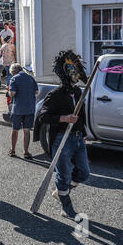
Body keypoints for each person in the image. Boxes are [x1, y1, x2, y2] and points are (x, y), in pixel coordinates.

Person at [36, 50, 90, 221]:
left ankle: (60, 192)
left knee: (83, 173)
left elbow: (81, 116)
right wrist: (64, 118)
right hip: (62, 138)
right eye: (72, 70)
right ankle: (66, 207)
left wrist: (84, 133)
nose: (76, 73)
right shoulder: (56, 94)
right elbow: (42, 116)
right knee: (64, 175)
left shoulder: (78, 92)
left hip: (78, 137)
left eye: (77, 70)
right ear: (65, 73)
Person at [8, 64, 38, 159]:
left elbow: (12, 93)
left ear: (13, 72)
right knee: (27, 130)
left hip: (18, 108)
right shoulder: (30, 78)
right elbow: (36, 92)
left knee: (15, 129)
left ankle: (12, 150)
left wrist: (8, 93)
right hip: (30, 108)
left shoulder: (14, 79)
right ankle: (26, 152)